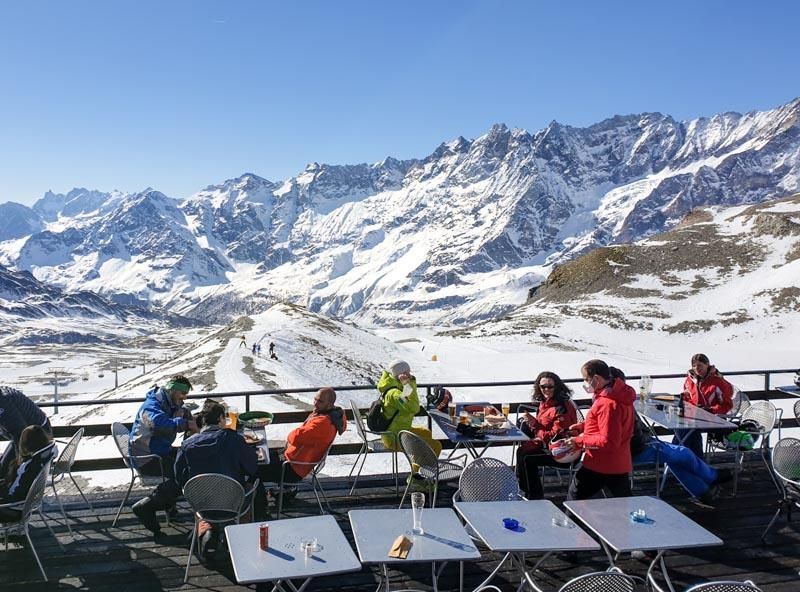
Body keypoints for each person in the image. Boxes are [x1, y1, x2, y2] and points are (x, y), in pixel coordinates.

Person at [174, 401, 267, 560]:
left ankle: (207, 528)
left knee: (207, 497)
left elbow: (179, 477)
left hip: (202, 505)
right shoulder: (233, 439)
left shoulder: (187, 445)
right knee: (254, 485)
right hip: (234, 503)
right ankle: (245, 534)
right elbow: (252, 468)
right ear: (220, 418)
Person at [130, 374, 198, 534]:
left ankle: (168, 505)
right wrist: (186, 424)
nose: (185, 397)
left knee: (188, 461)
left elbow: (180, 412)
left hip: (159, 451)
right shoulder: (150, 406)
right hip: (146, 458)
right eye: (183, 393)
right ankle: (146, 507)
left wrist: (189, 417)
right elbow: (159, 424)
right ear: (173, 391)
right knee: (182, 474)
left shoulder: (168, 403)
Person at [562, 359, 636, 500]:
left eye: (585, 379)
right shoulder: (619, 394)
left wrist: (579, 441)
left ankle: (573, 522)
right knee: (623, 505)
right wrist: (583, 427)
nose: (584, 383)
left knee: (574, 501)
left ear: (596, 378)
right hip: (618, 462)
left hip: (601, 463)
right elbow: (610, 426)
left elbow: (608, 441)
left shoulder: (607, 404)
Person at [259, 387, 346, 493]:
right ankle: (283, 491)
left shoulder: (323, 423)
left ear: (330, 404)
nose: (315, 403)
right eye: (315, 399)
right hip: (293, 460)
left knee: (254, 468)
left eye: (320, 401)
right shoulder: (330, 415)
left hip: (293, 468)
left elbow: (294, 437)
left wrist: (293, 434)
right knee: (260, 457)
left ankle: (255, 503)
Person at [631, 414, 732, 504]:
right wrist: (646, 438)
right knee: (684, 453)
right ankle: (712, 476)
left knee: (675, 459)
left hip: (637, 447)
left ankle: (703, 491)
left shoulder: (621, 402)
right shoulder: (621, 404)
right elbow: (634, 437)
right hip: (638, 450)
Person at [516, 372, 578, 499]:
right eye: (543, 386)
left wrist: (534, 424)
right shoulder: (545, 402)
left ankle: (534, 496)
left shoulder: (562, 407)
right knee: (522, 451)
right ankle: (525, 490)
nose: (546, 390)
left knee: (527, 457)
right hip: (551, 446)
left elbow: (556, 436)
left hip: (564, 452)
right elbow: (544, 427)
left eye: (550, 387)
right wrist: (532, 423)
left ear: (557, 387)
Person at [376, 360, 442, 456]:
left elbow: (408, 399)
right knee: (436, 446)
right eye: (407, 372)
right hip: (395, 438)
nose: (409, 374)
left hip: (397, 431)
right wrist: (408, 384)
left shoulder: (395, 387)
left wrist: (409, 384)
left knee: (426, 433)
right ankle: (418, 469)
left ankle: (418, 460)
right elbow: (414, 408)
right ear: (401, 374)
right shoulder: (395, 394)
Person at [675, 353, 734, 457]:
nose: (697, 368)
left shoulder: (717, 381)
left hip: (715, 420)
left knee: (687, 431)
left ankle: (681, 459)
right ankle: (693, 461)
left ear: (707, 365)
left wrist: (710, 410)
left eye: (700, 365)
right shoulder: (690, 380)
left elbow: (727, 405)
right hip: (694, 417)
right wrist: (684, 401)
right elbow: (688, 397)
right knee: (682, 428)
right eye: (694, 366)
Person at [0, 425, 55, 521]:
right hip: (15, 504)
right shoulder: (37, 461)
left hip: (12, 509)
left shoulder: (31, 467)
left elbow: (19, 493)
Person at [0, 387, 53, 479]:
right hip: (34, 432)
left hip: (35, 436)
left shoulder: (3, 403)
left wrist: (19, 459)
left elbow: (20, 431)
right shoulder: (3, 396)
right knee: (4, 467)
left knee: (4, 470)